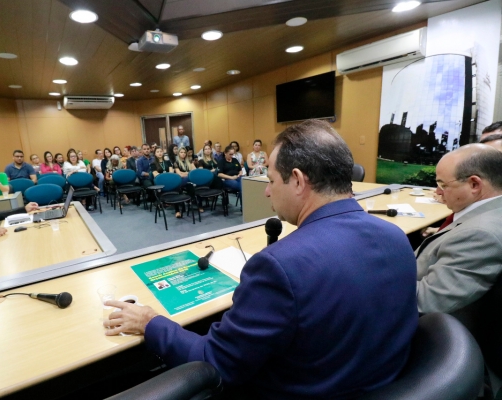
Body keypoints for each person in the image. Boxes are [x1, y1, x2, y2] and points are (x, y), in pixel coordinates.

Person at [104, 120, 418, 399]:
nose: (267, 192)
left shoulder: (278, 267)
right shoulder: (396, 238)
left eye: (270, 180)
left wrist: (149, 321)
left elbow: (215, 364)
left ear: (297, 180)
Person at [416, 144, 502, 314]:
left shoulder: (480, 235)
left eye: (443, 185)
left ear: (474, 184)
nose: (438, 192)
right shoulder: (488, 214)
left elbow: (426, 301)